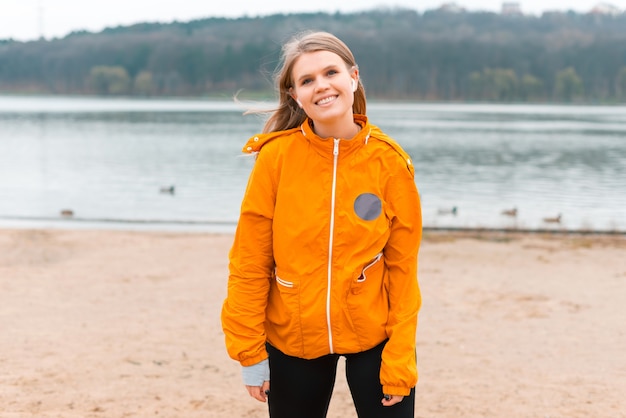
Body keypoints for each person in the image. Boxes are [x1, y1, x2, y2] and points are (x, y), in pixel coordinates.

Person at [221, 31, 422, 418]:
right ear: (295, 95)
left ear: (353, 77)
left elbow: (403, 270)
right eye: (307, 80)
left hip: (374, 335)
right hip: (293, 335)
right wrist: (249, 351)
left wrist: (400, 357)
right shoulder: (275, 159)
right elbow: (250, 262)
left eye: (330, 72)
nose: (321, 86)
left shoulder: (390, 162)